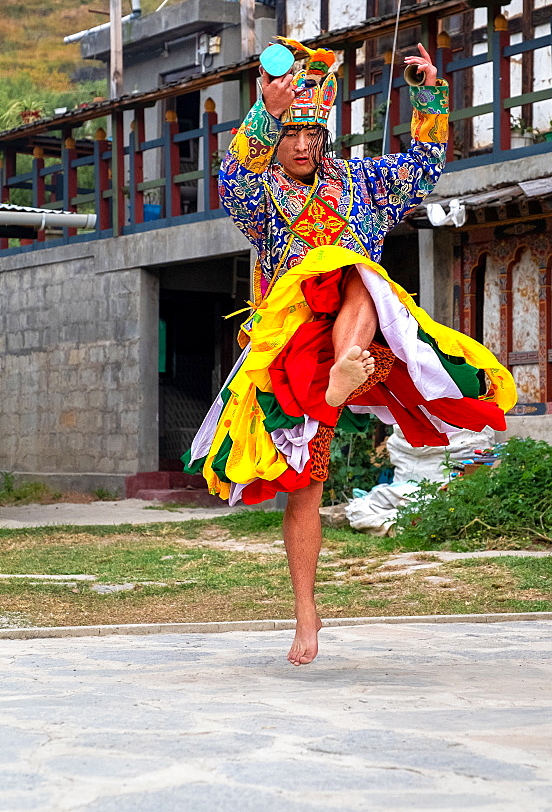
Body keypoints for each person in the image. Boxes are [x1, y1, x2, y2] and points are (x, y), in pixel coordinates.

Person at [184, 40, 517, 666]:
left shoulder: (362, 184)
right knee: (304, 488)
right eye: (290, 134)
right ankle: (306, 613)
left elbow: (422, 166)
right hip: (294, 348)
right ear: (276, 140)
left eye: (311, 133)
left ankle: (345, 370)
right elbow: (230, 177)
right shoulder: (261, 200)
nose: (303, 145)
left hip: (360, 351)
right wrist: (262, 111)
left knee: (361, 271)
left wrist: (428, 95)